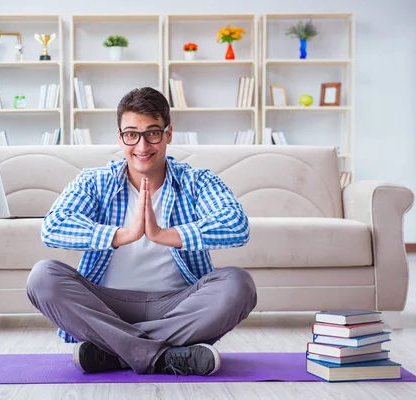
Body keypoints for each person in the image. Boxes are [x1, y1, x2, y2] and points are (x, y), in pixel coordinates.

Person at [26, 87, 257, 376]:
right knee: (42, 277)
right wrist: (121, 235)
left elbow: (236, 224)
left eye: (153, 133)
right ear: (120, 136)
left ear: (168, 134)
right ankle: (165, 357)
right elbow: (53, 227)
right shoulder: (94, 181)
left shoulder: (198, 181)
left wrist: (164, 234)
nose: (142, 146)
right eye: (131, 134)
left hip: (179, 305)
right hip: (108, 306)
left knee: (239, 284)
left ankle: (115, 351)